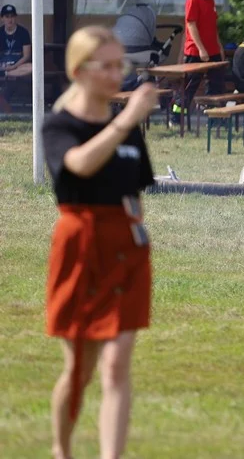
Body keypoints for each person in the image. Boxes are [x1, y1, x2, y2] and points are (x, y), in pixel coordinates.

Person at [41, 26, 159, 459]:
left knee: (116, 364)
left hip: (126, 248)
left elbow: (136, 191)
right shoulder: (59, 125)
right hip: (80, 245)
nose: (117, 74)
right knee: (79, 370)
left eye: (120, 65)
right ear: (78, 70)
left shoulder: (125, 128)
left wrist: (135, 231)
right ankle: (62, 450)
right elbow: (79, 166)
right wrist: (127, 118)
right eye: (107, 65)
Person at [176, 0, 226, 118]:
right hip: (195, 51)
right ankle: (176, 117)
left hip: (213, 50)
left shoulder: (210, 0)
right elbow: (191, 25)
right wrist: (201, 49)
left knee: (217, 84)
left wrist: (219, 47)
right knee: (190, 85)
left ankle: (214, 118)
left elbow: (212, 26)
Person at [1, 3, 32, 108]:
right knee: (12, 78)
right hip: (3, 65)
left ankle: (7, 74)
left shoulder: (23, 32)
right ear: (2, 18)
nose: (10, 20)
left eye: (12, 16)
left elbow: (26, 55)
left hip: (18, 66)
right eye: (7, 17)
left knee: (32, 67)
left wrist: (13, 67)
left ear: (16, 18)